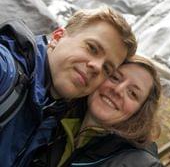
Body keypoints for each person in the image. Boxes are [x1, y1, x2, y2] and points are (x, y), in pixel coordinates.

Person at [0, 6, 137, 167]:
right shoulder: (7, 71)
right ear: (57, 37)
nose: (97, 67)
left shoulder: (57, 117)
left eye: (107, 69)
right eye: (92, 48)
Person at [31, 55, 162, 167]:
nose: (117, 91)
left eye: (132, 93)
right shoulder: (52, 118)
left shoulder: (142, 164)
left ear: (140, 112)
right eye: (115, 78)